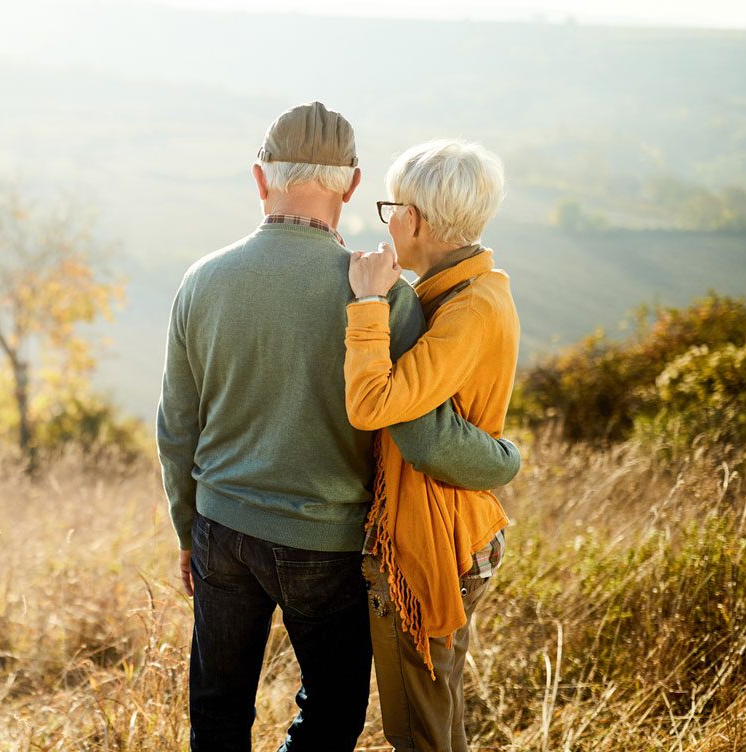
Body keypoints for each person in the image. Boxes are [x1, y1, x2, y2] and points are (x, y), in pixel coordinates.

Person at [156, 101, 522, 751]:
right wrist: (503, 460)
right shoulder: (382, 299)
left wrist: (188, 530)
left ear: (259, 177)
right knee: (330, 711)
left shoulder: (200, 281)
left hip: (219, 525)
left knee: (217, 706)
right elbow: (422, 434)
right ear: (352, 186)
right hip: (322, 544)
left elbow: (177, 425)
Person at [345, 139, 518, 752]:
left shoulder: (469, 307)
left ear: (412, 219)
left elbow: (375, 406)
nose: (385, 218)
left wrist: (367, 303)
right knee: (436, 719)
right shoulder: (454, 292)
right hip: (446, 524)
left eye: (389, 206)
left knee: (417, 728)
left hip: (433, 535)